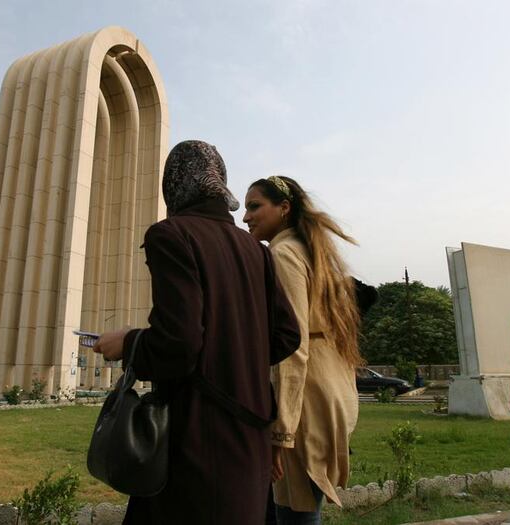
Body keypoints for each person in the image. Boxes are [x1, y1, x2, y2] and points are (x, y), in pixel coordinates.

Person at [92, 141, 301, 525]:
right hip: (250, 436)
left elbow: (179, 345)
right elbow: (287, 335)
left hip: (198, 441)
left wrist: (127, 342)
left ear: (173, 184)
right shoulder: (254, 249)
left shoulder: (171, 235)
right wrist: (235, 355)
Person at [243, 175, 361, 524]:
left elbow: (292, 346)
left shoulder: (282, 253)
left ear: (283, 208)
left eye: (254, 207)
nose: (246, 217)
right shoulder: (309, 249)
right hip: (329, 388)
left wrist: (283, 431)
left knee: (296, 509)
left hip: (304, 398)